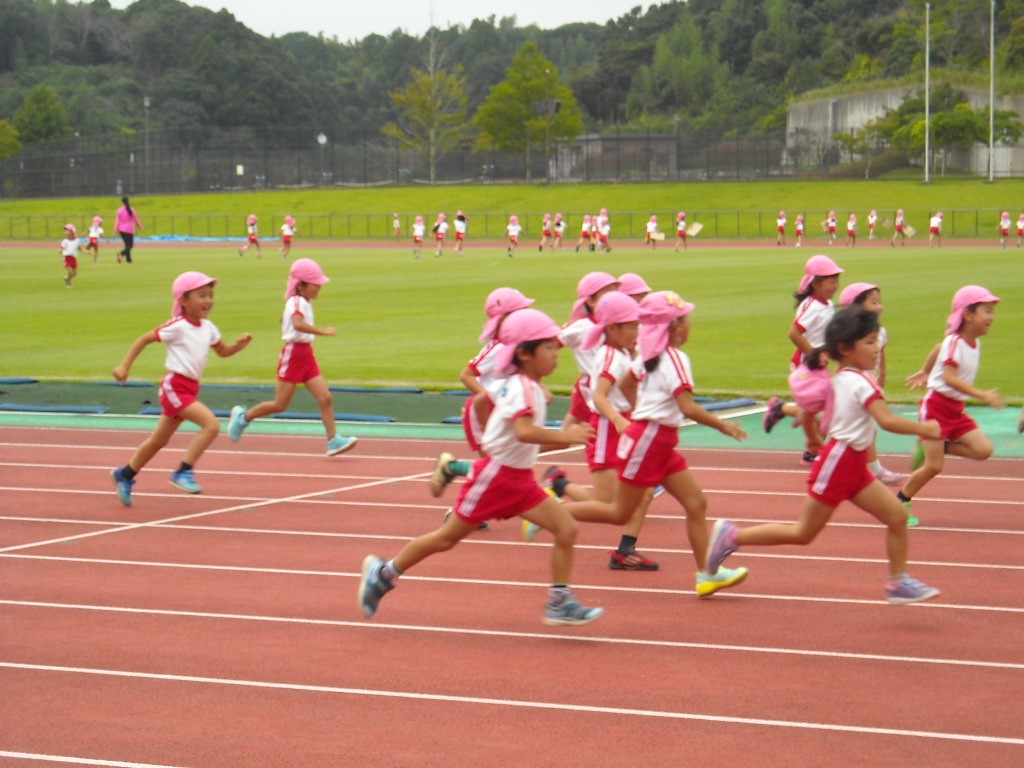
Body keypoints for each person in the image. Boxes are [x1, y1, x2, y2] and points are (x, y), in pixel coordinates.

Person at [358, 308, 605, 626]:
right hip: (496, 479)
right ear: (525, 354)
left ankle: (559, 602)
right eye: (548, 348)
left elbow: (490, 410)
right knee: (446, 538)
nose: (557, 354)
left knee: (566, 528)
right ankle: (384, 572)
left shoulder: (525, 386)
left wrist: (562, 440)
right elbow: (525, 432)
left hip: (519, 480)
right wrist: (565, 435)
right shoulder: (522, 388)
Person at [706, 306, 943, 605]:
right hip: (840, 463)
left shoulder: (843, 376)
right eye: (869, 342)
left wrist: (813, 436)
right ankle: (731, 536)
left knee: (896, 516)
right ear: (845, 348)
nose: (877, 347)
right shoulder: (861, 381)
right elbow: (887, 421)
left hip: (852, 463)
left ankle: (899, 583)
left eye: (877, 340)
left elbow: (817, 414)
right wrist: (928, 429)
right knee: (803, 533)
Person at [611, 290, 750, 596]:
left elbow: (625, 383)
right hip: (649, 440)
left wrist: (641, 413)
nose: (690, 324)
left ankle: (706, 574)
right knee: (619, 512)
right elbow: (687, 407)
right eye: (686, 318)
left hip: (658, 442)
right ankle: (556, 511)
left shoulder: (650, 356)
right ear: (674, 326)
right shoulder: (675, 358)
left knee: (696, 502)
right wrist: (722, 425)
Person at [110, 272, 252, 506]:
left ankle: (124, 474)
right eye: (202, 295)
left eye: (211, 295)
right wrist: (125, 366)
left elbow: (223, 351)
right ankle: (183, 471)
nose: (208, 300)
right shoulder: (178, 326)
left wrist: (239, 345)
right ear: (183, 301)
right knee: (211, 425)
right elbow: (144, 339)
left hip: (190, 388)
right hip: (174, 388)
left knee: (158, 441)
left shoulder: (209, 328)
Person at [228, 259, 358, 457]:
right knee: (280, 405)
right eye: (315, 284)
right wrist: (322, 331)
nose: (319, 288)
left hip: (306, 354)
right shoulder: (296, 301)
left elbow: (287, 319)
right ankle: (243, 418)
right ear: (301, 285)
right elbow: (297, 323)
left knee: (325, 398)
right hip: (295, 354)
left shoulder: (300, 302)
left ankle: (333, 440)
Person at [897, 286, 1003, 527]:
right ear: (967, 315)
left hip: (955, 409)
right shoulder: (955, 342)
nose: (992, 317)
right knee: (933, 467)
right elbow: (950, 378)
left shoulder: (969, 342)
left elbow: (938, 348)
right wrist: (981, 394)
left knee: (983, 450)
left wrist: (925, 370)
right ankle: (901, 500)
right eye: (986, 311)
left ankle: (941, 446)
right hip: (936, 407)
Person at [430, 287, 536, 499]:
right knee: (495, 469)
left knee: (504, 466)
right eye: (521, 311)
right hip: (482, 412)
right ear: (504, 319)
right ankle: (462, 506)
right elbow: (466, 375)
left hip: (504, 411)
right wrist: (489, 399)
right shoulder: (497, 348)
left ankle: (453, 469)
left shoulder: (519, 346)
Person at [764, 255, 844, 466]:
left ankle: (812, 451)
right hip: (806, 365)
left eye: (837, 280)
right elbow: (794, 333)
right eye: (831, 280)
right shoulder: (812, 306)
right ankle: (781, 410)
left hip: (819, 364)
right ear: (816, 283)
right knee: (819, 411)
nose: (835, 285)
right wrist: (814, 354)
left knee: (822, 409)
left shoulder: (826, 303)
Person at [839, 282, 902, 485]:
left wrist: (882, 375)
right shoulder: (851, 334)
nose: (880, 307)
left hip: (869, 382)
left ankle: (859, 467)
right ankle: (874, 470)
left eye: (880, 302)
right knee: (867, 427)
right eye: (874, 302)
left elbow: (881, 352)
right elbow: (841, 364)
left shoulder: (880, 331)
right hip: (855, 385)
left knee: (862, 428)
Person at [115, 196, 142, 264]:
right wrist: (140, 226)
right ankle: (121, 254)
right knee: (130, 246)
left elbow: (118, 221)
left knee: (127, 245)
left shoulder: (119, 210)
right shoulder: (131, 209)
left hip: (122, 230)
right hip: (129, 230)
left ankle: (129, 260)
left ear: (122, 202)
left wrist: (116, 229)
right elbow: (136, 219)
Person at [59, 224, 80, 289]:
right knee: (70, 272)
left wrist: (87, 251)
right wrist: (61, 250)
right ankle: (69, 284)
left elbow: (80, 248)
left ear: (72, 232)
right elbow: (62, 247)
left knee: (75, 273)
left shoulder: (76, 240)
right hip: (67, 258)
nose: (65, 232)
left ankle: (67, 278)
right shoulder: (65, 241)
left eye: (67, 231)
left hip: (73, 258)